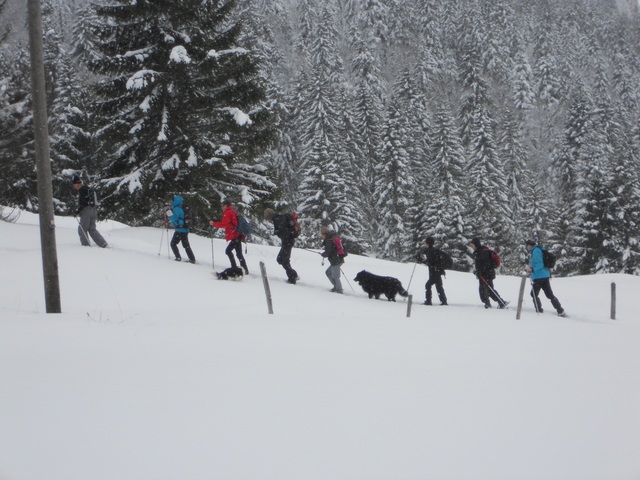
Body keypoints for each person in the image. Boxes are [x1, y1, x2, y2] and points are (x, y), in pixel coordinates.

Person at [525, 239, 566, 317]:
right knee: (549, 294)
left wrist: (532, 269)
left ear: (530, 245)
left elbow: (539, 263)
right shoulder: (539, 249)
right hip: (544, 275)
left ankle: (539, 310)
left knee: (533, 294)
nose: (527, 247)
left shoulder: (536, 251)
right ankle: (560, 310)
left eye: (527, 245)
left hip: (539, 276)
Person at [210, 200, 248, 274]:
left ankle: (235, 267)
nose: (221, 207)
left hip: (235, 235)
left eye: (222, 206)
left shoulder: (228, 213)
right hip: (238, 234)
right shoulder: (233, 211)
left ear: (226, 205)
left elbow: (224, 224)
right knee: (238, 253)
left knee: (228, 251)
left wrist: (213, 223)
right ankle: (244, 269)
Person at [468, 237, 507, 309]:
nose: (471, 247)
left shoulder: (481, 252)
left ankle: (488, 303)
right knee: (489, 289)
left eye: (472, 245)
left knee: (484, 290)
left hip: (486, 274)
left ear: (476, 244)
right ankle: (500, 302)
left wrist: (479, 272)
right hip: (488, 273)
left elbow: (485, 264)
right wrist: (478, 271)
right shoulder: (481, 251)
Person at [264, 208, 299, 284]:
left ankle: (292, 277)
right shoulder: (279, 217)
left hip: (287, 242)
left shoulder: (277, 219)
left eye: (267, 217)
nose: (268, 219)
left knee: (284, 260)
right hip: (287, 242)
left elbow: (284, 232)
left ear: (269, 215)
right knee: (280, 259)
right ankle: (293, 274)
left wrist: (286, 239)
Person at [72, 176, 108, 248]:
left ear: (77, 184)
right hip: (94, 210)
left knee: (82, 229)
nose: (74, 186)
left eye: (74, 184)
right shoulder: (88, 189)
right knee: (92, 229)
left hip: (86, 211)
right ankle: (103, 243)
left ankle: (86, 246)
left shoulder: (82, 190)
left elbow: (83, 203)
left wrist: (77, 212)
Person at [417, 236, 448, 306]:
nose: (425, 244)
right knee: (439, 286)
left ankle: (428, 301)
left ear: (427, 243)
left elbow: (430, 263)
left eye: (425, 243)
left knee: (428, 285)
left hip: (434, 273)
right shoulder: (433, 250)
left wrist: (420, 259)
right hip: (438, 271)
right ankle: (443, 301)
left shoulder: (430, 251)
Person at [165, 195, 196, 264]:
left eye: (172, 200)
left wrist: (168, 212)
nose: (171, 202)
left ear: (175, 201)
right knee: (186, 245)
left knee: (173, 243)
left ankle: (178, 257)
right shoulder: (180, 208)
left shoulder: (176, 209)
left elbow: (173, 219)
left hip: (179, 229)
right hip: (184, 229)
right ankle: (192, 258)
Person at [320, 226, 344, 294]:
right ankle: (336, 287)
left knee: (335, 276)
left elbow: (328, 252)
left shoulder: (329, 241)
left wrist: (323, 254)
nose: (321, 236)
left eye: (321, 234)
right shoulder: (331, 239)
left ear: (324, 234)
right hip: (337, 260)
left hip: (336, 260)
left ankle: (339, 291)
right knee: (328, 272)